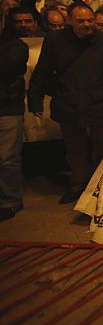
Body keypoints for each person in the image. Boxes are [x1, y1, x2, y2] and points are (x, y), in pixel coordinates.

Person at [28, 4, 103, 204]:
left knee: (99, 148)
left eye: (90, 20)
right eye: (81, 21)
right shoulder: (55, 40)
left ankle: (97, 188)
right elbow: (43, 70)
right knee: (74, 148)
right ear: (69, 21)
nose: (87, 24)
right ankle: (77, 185)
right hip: (69, 102)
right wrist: (36, 101)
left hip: (98, 103)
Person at [0, 17, 29, 218]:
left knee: (7, 158)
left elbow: (7, 68)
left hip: (7, 106)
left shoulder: (15, 47)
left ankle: (10, 200)